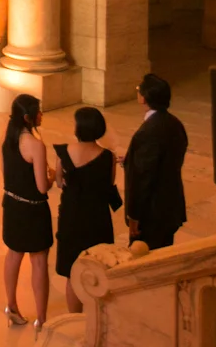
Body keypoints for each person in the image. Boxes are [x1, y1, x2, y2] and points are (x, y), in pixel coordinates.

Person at [55, 107, 120, 312]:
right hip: (97, 219)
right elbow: (109, 184)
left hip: (71, 217)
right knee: (97, 269)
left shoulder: (63, 153)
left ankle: (74, 319)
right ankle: (96, 318)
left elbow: (59, 182)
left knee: (71, 273)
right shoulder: (108, 157)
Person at [1, 93, 53, 330]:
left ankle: (11, 305)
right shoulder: (36, 145)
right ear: (27, 117)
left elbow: (7, 175)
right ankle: (41, 319)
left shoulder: (8, 141)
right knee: (39, 261)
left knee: (14, 254)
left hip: (12, 204)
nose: (41, 115)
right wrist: (53, 177)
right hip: (33, 209)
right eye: (37, 111)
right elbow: (42, 187)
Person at [124, 73, 189, 250]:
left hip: (152, 213)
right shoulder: (175, 123)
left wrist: (134, 216)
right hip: (170, 206)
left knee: (144, 257)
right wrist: (130, 159)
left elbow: (142, 179)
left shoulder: (148, 132)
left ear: (144, 98)